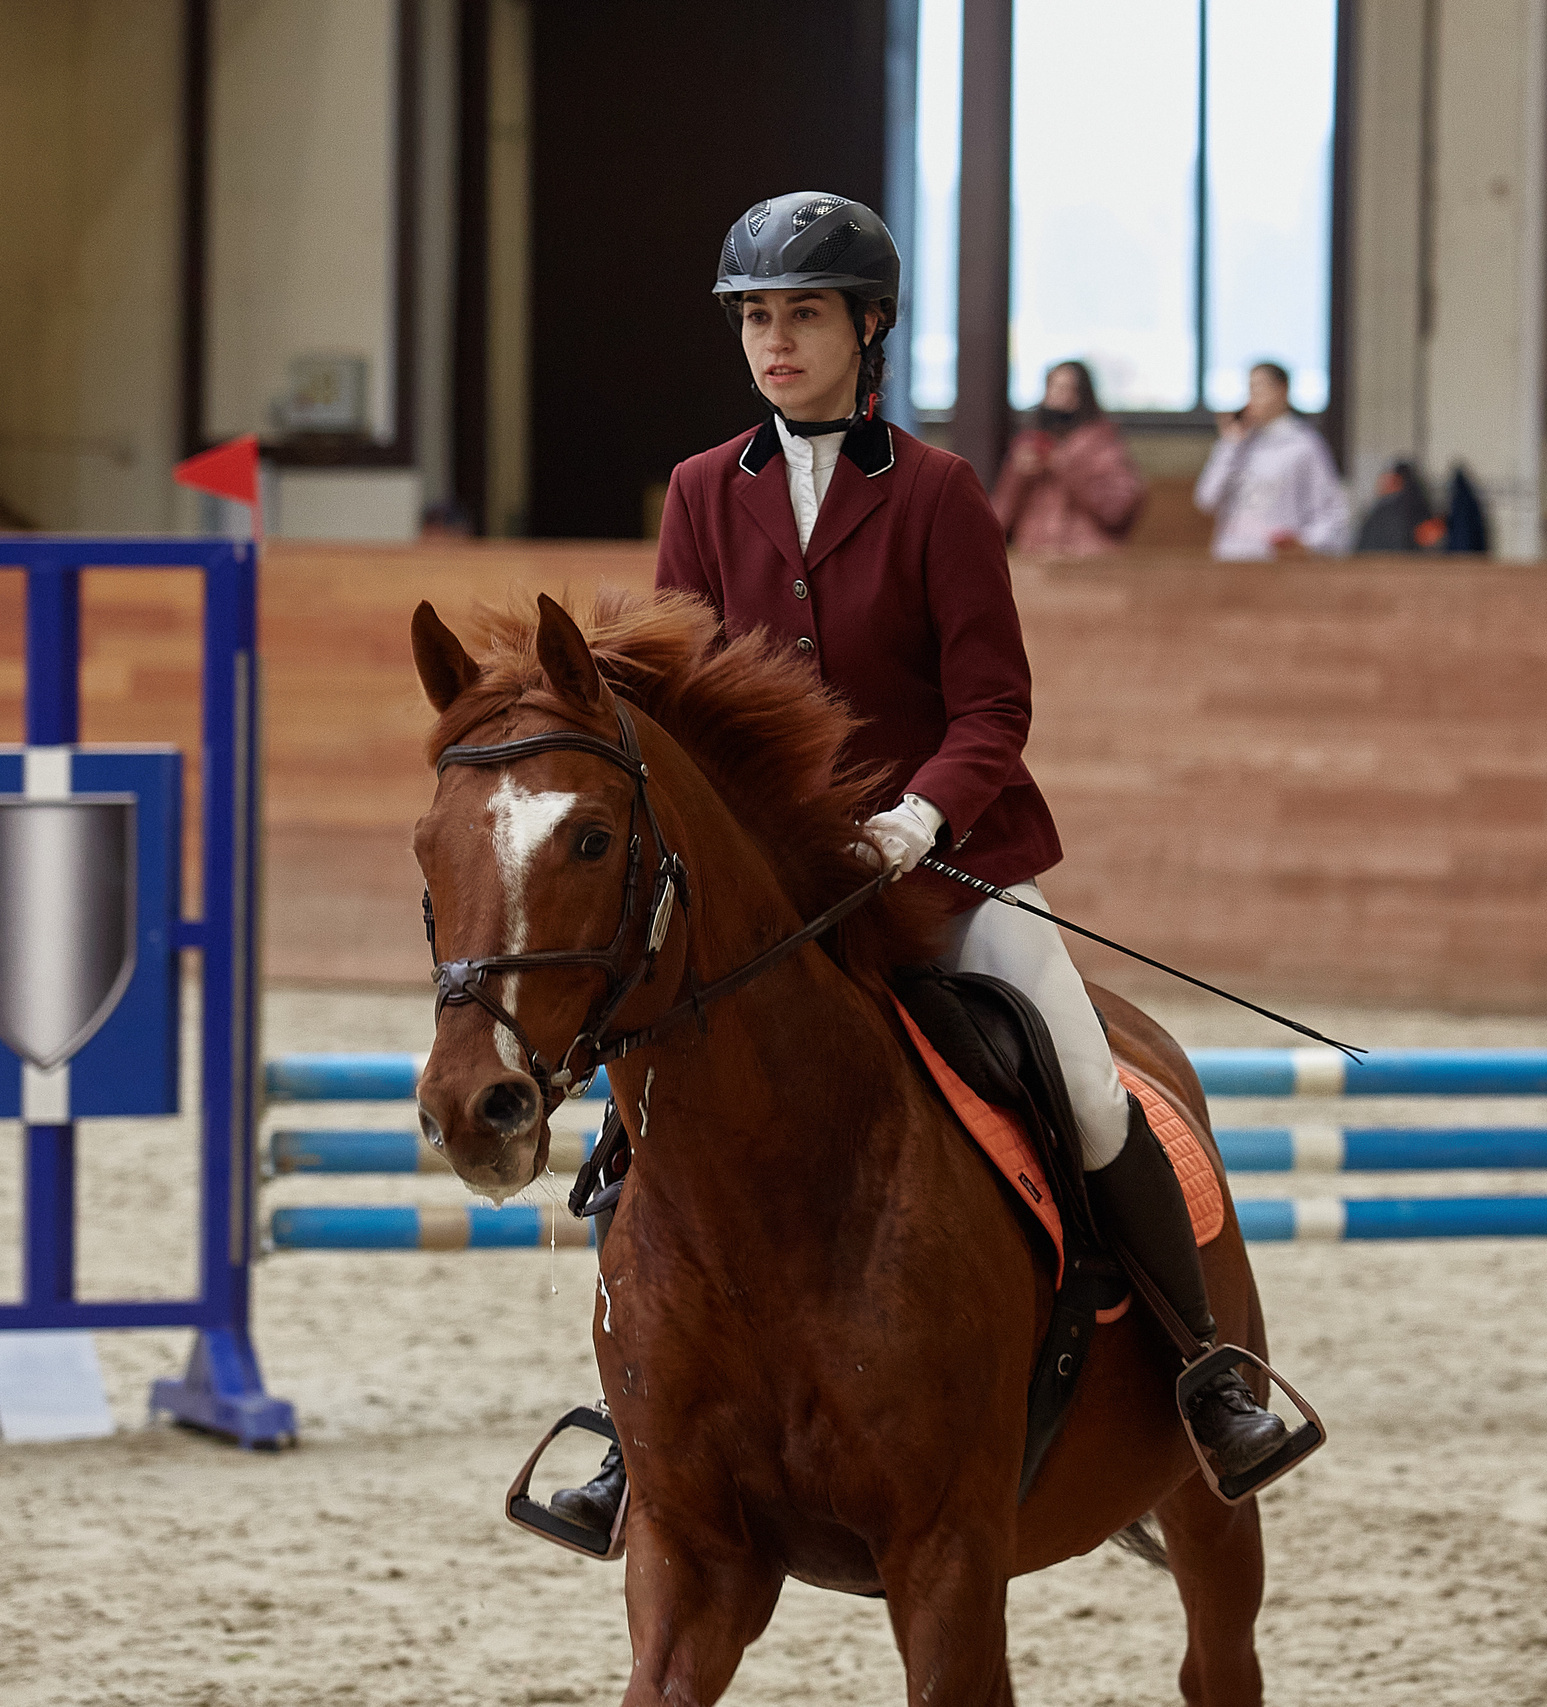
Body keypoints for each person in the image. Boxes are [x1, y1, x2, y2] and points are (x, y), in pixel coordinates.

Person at [546, 190, 1295, 1537]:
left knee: (1087, 1088)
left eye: (804, 315)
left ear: (869, 327)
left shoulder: (941, 493)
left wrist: (919, 818)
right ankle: (630, 1418)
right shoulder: (705, 491)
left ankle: (1204, 1373)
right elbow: (676, 698)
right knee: (634, 1121)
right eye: (756, 319)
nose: (776, 342)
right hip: (774, 900)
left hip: (946, 872)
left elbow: (994, 707)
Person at [1194, 361, 1349, 559]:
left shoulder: (1304, 446)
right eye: (1250, 389)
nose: (1252, 399)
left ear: (1282, 390)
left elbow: (1331, 513)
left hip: (1276, 561)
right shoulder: (1237, 444)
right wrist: (1229, 445)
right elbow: (1206, 500)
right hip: (1232, 556)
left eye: (1259, 388)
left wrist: (1306, 543)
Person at [990, 360, 1144, 555]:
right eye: (1052, 388)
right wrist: (1017, 475)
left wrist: (1064, 465)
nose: (1057, 398)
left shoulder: (1104, 447)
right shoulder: (1029, 444)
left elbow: (1117, 510)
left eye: (1066, 389)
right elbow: (997, 519)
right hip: (1034, 557)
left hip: (1087, 558)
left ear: (1082, 395)